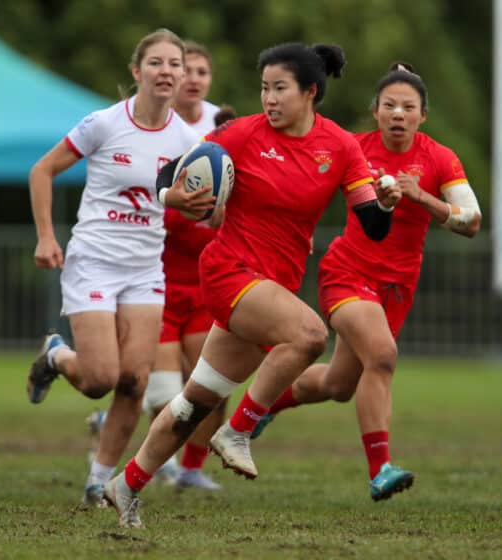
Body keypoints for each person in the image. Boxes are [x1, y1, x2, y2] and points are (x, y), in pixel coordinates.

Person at [102, 42, 402, 528]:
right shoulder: (240, 135)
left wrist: (386, 202)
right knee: (309, 336)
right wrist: (171, 194)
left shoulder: (341, 147)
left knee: (193, 404)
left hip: (272, 285)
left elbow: (372, 224)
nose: (269, 98)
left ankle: (127, 483)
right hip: (228, 271)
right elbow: (165, 173)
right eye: (264, 88)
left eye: (279, 88)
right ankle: (239, 431)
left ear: (310, 92)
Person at [249, 61, 482, 502]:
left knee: (339, 386)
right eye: (389, 105)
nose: (398, 114)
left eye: (407, 107)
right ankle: (380, 471)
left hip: (397, 287)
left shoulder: (440, 158)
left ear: (422, 116)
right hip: (349, 272)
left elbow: (471, 222)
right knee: (383, 355)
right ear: (375, 111)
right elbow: (302, 186)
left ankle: (260, 405)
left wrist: (420, 196)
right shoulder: (352, 147)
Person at [25, 29, 206, 507]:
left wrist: (196, 205)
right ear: (137, 71)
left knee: (134, 382)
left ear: (183, 75)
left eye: (175, 64)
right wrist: (46, 236)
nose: (166, 71)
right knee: (100, 378)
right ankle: (56, 356)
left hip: (146, 269)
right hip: (95, 263)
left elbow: (204, 209)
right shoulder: (103, 123)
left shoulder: (189, 141)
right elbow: (41, 170)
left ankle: (98, 481)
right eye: (156, 63)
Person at [87, 43, 236, 490]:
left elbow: (230, 210)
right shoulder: (153, 136)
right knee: (166, 394)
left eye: (200, 71)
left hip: (206, 286)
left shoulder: (221, 133)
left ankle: (188, 468)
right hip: (158, 283)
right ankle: (144, 455)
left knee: (214, 386)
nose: (190, 78)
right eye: (180, 68)